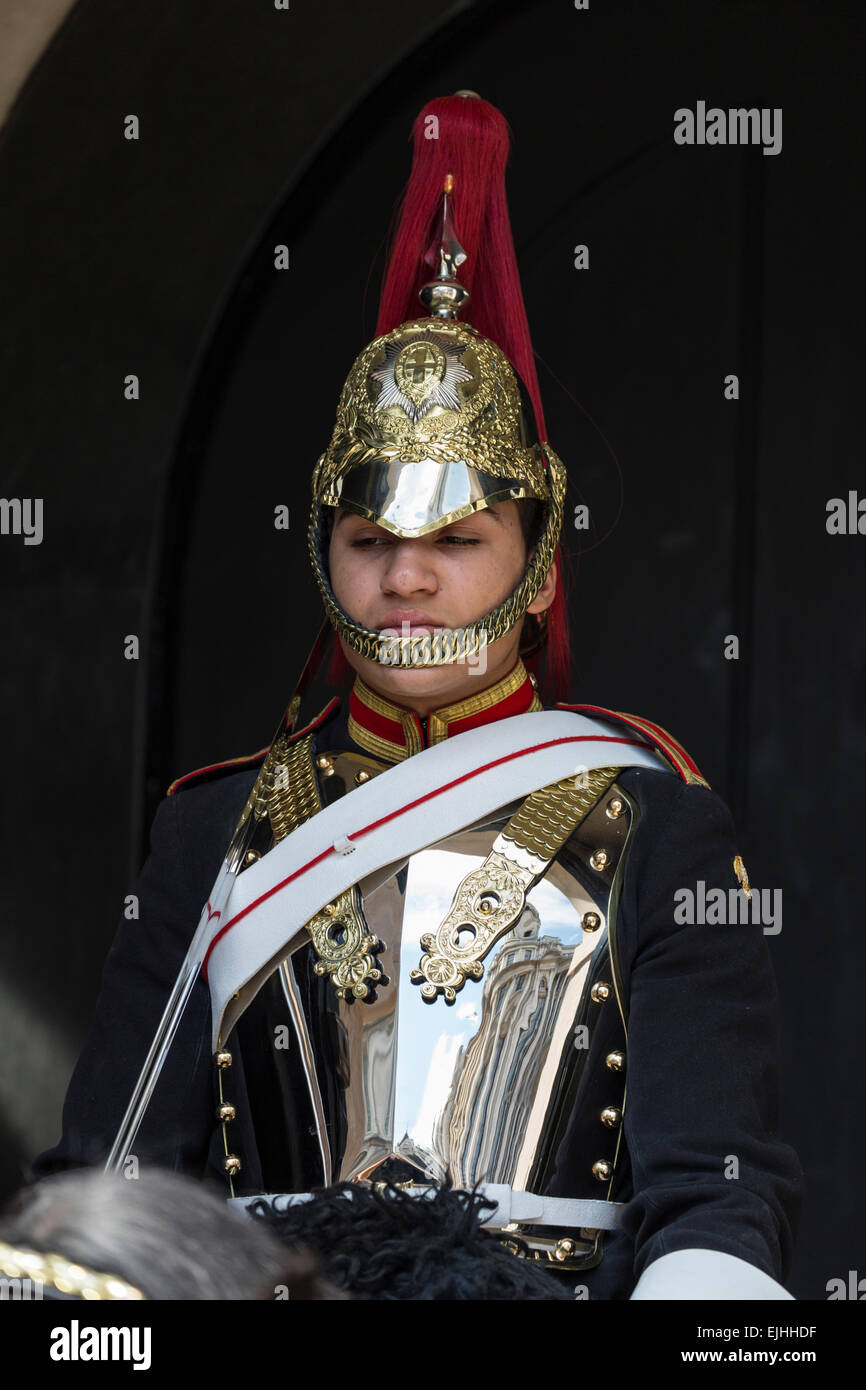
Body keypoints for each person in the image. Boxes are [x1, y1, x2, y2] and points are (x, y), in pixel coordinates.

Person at [33, 93, 802, 1300]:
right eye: (365, 536)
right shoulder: (210, 831)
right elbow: (111, 1193)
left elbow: (714, 1194)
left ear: (534, 562)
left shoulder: (654, 821)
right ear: (322, 557)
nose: (405, 575)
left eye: (455, 533)